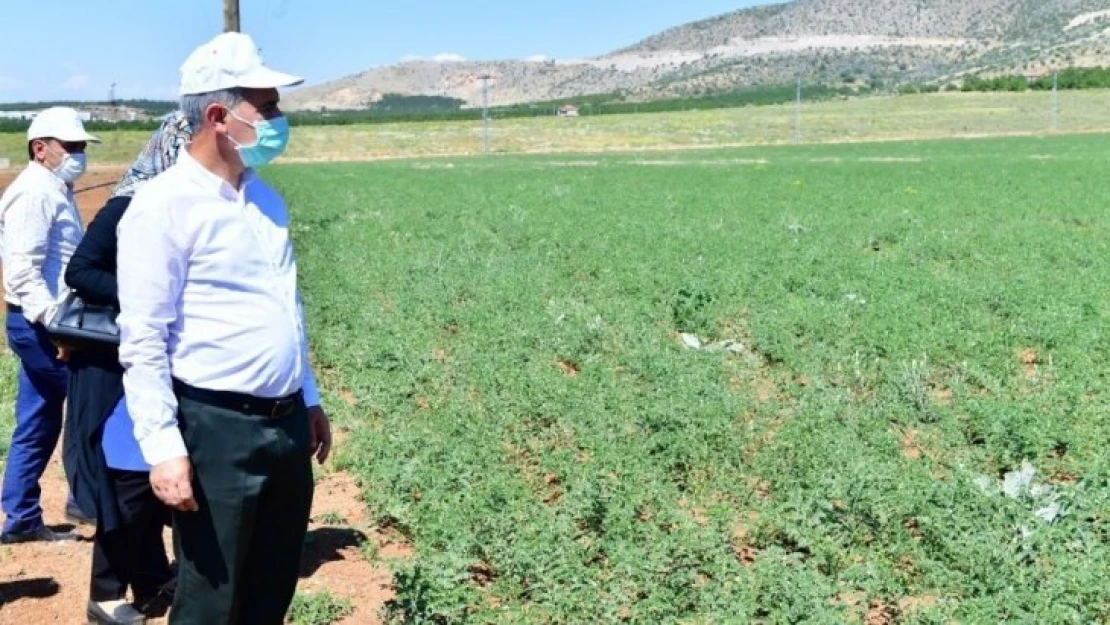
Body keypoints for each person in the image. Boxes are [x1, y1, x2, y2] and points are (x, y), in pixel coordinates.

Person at [116, 31, 332, 624]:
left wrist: (307, 397)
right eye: (266, 107)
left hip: (285, 424)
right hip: (217, 431)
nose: (278, 119)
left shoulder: (266, 200)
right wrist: (163, 449)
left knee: (270, 589)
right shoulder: (161, 208)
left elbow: (287, 307)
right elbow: (143, 340)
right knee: (211, 600)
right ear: (218, 116)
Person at [63, 111, 193, 625]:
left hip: (158, 355)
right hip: (114, 361)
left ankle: (152, 575)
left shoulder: (189, 208)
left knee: (153, 470)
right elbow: (80, 271)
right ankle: (106, 591)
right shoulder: (127, 205)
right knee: (128, 474)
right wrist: (143, 298)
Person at [0, 106, 98, 543]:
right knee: (89, 405)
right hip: (41, 325)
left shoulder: (55, 187)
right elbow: (22, 272)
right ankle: (86, 501)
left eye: (81, 147)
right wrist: (57, 326)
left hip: (42, 323)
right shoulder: (34, 194)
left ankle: (20, 517)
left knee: (39, 418)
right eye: (71, 146)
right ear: (40, 149)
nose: (79, 154)